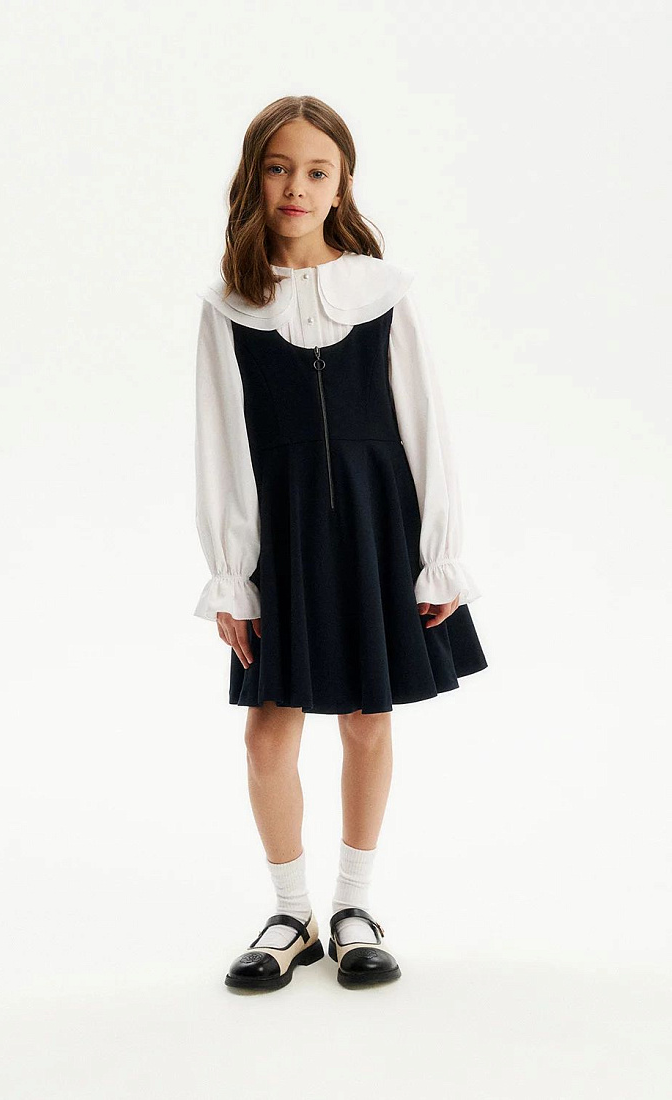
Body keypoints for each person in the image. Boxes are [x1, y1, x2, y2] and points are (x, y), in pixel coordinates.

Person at [193, 95, 489, 992]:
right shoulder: (229, 305)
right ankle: (292, 915)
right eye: (279, 168)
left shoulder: (381, 291)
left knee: (367, 719)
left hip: (375, 525)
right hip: (279, 535)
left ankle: (355, 907)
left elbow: (425, 424)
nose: (296, 186)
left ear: (340, 184)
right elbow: (221, 444)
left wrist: (438, 554)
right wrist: (232, 577)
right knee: (266, 732)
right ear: (254, 179)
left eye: (316, 171)